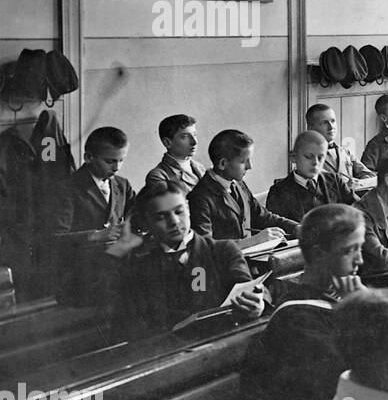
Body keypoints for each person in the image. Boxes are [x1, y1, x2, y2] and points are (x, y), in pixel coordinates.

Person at [243, 203, 368, 400]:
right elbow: (345, 380)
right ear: (319, 255)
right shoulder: (296, 318)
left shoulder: (342, 297)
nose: (360, 260)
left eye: (360, 248)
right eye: (349, 250)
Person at [113, 180, 264, 339]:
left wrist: (257, 304)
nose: (174, 222)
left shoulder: (223, 251)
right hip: (166, 353)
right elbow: (131, 327)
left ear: (188, 208)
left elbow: (247, 288)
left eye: (179, 212)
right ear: (146, 222)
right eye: (161, 217)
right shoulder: (138, 266)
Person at [52, 126, 136, 305]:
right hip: (81, 279)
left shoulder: (122, 185)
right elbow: (54, 240)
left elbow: (136, 215)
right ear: (89, 157)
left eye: (121, 160)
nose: (117, 168)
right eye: (110, 161)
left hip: (116, 272)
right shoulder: (67, 189)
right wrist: (96, 235)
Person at [188, 129, 298, 249]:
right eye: (244, 161)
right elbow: (204, 247)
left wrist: (296, 228)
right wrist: (254, 240)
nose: (250, 167)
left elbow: (263, 216)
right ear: (223, 164)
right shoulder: (199, 197)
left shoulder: (239, 184)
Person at [266, 130, 355, 221]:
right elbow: (276, 228)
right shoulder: (278, 191)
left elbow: (358, 209)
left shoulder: (335, 181)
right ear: (293, 157)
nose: (315, 162)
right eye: (308, 156)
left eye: (320, 157)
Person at [307, 103, 374, 185]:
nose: (331, 127)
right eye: (324, 123)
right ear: (311, 128)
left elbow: (369, 175)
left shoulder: (345, 152)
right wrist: (346, 186)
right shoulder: (308, 157)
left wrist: (362, 181)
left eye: (333, 121)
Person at [145, 114, 204, 193]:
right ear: (167, 143)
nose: (194, 142)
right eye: (185, 136)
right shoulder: (159, 176)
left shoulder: (200, 168)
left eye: (194, 135)